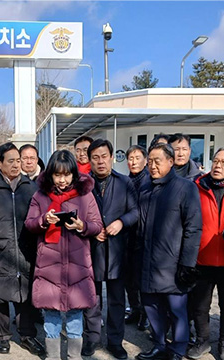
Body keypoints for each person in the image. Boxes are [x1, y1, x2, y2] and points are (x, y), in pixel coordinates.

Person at [25, 150, 104, 360]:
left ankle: (74, 356)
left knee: (75, 314)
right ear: (50, 174)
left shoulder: (85, 196)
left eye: (67, 175)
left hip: (77, 265)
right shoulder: (40, 195)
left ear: (74, 174)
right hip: (49, 264)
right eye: (58, 175)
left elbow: (97, 226)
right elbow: (30, 224)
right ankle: (52, 356)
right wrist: (44, 220)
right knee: (50, 314)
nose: (62, 180)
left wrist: (82, 225)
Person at [0, 142, 45, 356]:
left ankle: (27, 334)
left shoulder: (31, 188)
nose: (16, 165)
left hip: (25, 250)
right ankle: (2, 337)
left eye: (18, 161)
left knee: (26, 295)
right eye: (10, 161)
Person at [136, 143, 202, 360]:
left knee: (176, 310)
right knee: (151, 307)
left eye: (158, 161)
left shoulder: (185, 187)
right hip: (147, 261)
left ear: (171, 162)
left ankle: (178, 348)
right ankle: (159, 344)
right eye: (150, 161)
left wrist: (187, 263)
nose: (153, 166)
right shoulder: (145, 187)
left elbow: (193, 228)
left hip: (173, 263)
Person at [186, 148, 224, 360]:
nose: (218, 166)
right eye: (215, 161)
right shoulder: (196, 186)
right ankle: (202, 341)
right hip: (202, 256)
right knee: (199, 305)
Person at [83, 139, 138, 359]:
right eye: (95, 157)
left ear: (112, 157)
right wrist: (90, 229)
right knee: (92, 298)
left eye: (104, 156)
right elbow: (76, 213)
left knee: (117, 299)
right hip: (92, 249)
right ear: (90, 160)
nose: (100, 161)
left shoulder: (125, 182)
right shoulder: (83, 184)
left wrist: (121, 222)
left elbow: (136, 211)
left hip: (117, 250)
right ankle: (93, 338)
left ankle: (115, 341)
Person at [124, 145, 150, 331]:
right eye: (130, 158)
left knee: (141, 279)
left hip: (143, 236)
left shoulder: (149, 181)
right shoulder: (125, 181)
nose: (133, 162)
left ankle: (145, 314)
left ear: (145, 160)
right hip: (127, 237)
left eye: (137, 158)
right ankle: (134, 309)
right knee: (129, 279)